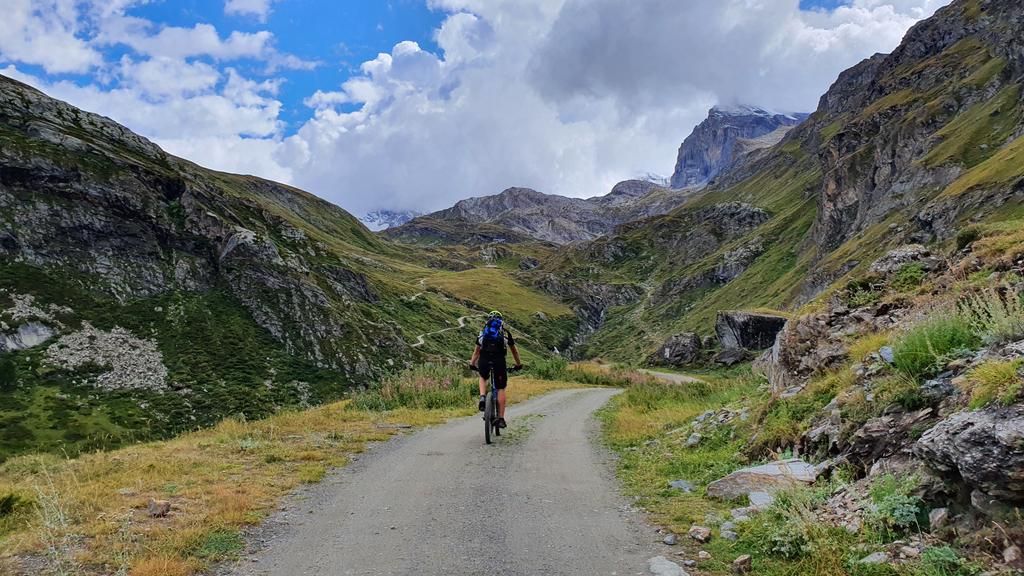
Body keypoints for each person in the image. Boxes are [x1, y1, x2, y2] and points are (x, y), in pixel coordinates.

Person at [469, 311, 522, 429]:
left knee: (483, 377)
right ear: (501, 321)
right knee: (500, 388)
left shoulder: (483, 332)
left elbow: (476, 351)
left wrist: (472, 363)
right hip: (499, 362)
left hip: (484, 360)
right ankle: (501, 419)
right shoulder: (505, 334)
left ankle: (482, 397)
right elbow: (514, 351)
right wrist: (518, 364)